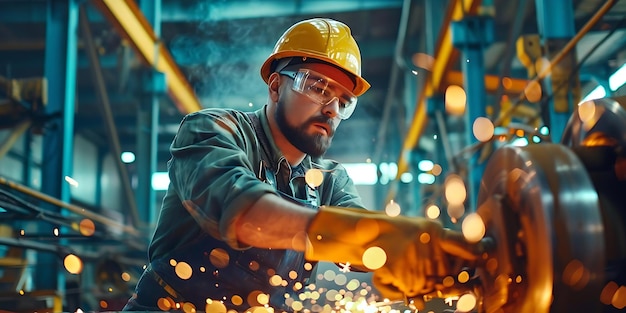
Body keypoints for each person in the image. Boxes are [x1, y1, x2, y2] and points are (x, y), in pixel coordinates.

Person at [123, 17, 482, 312]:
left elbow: (358, 239)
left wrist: (432, 254)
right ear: (276, 86)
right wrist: (368, 237)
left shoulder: (329, 181)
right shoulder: (213, 130)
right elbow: (242, 211)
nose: (332, 109)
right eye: (319, 87)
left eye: (344, 101)